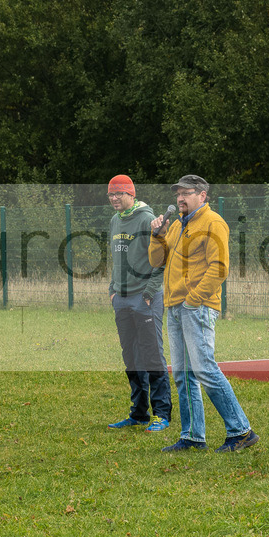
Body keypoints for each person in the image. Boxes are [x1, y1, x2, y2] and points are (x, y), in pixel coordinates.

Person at [148, 175, 259, 452]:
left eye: (187, 193)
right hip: (175, 307)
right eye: (178, 194)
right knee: (183, 375)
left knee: (204, 370)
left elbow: (219, 267)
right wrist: (156, 237)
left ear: (203, 196)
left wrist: (193, 300)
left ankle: (241, 431)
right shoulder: (175, 226)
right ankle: (193, 436)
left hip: (196, 307)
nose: (180, 198)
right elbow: (156, 261)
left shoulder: (213, 223)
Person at [105, 175, 172, 432]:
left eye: (119, 194)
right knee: (131, 358)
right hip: (121, 299)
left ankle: (162, 414)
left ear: (131, 194)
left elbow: (161, 259)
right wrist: (113, 291)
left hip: (145, 298)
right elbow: (116, 260)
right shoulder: (114, 220)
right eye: (111, 194)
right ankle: (139, 413)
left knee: (152, 355)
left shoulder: (147, 219)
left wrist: (148, 292)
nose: (114, 198)